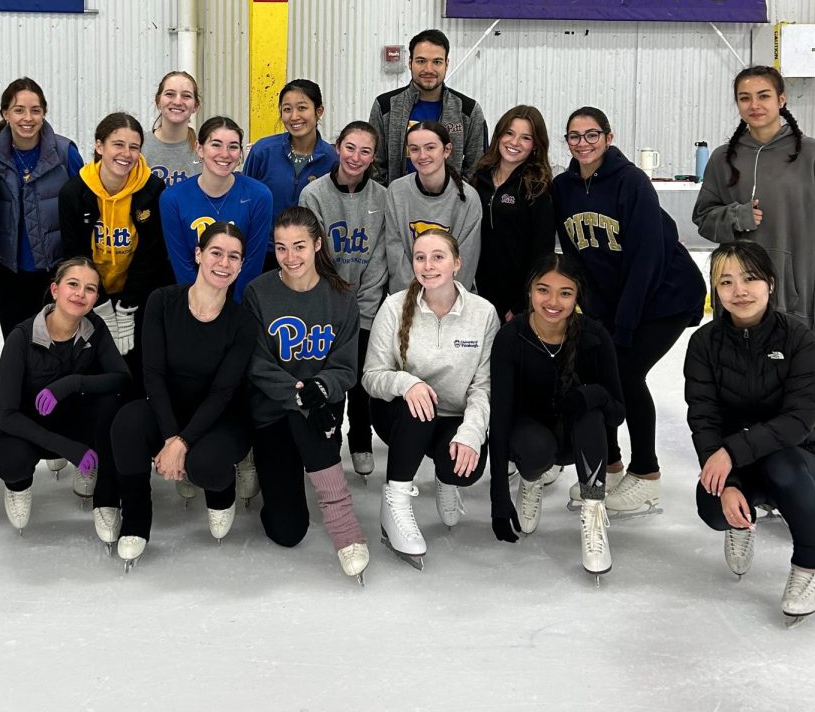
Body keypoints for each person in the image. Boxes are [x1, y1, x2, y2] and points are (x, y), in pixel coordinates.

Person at [552, 106, 705, 516]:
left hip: (666, 295)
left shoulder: (632, 182)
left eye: (591, 135)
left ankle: (647, 476)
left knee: (626, 373)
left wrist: (623, 323)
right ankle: (614, 466)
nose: (583, 143)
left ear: (609, 136)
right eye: (574, 136)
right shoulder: (564, 187)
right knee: (600, 369)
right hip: (615, 300)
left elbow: (647, 259)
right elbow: (575, 256)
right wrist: (595, 310)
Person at [684, 242, 815, 621]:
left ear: (770, 282)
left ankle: (811, 565)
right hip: (737, 465)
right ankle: (740, 520)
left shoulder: (798, 339)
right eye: (726, 282)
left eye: (749, 279)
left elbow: (798, 420)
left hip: (798, 461)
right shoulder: (703, 344)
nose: (740, 291)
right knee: (712, 507)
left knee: (782, 464)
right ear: (716, 290)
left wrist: (730, 452)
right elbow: (703, 418)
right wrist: (728, 479)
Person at [108, 223, 256, 570]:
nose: (224, 262)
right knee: (126, 425)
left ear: (241, 264)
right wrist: (171, 435)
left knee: (205, 464)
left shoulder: (243, 322)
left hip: (221, 418)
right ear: (198, 255)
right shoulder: (162, 301)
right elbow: (153, 375)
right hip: (169, 410)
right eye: (216, 252)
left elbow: (223, 392)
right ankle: (136, 518)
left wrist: (182, 443)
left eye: (233, 256)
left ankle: (221, 495)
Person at [244, 207, 370, 583]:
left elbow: (346, 366)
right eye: (281, 248)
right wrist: (301, 395)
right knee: (287, 532)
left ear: (317, 244)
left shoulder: (342, 297)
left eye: (299, 246)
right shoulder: (258, 292)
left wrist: (319, 390)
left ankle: (342, 520)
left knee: (308, 425)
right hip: (272, 413)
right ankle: (268, 464)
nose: (290, 257)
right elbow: (256, 363)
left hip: (320, 412)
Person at [362, 229, 496, 569]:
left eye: (438, 257)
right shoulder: (393, 308)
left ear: (457, 263)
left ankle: (444, 475)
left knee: (463, 471)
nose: (428, 265)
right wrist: (406, 383)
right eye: (420, 257)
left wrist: (471, 434)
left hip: (453, 418)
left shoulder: (483, 313)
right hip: (400, 413)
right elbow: (371, 377)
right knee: (420, 406)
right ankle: (396, 502)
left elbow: (484, 387)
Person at [488, 256, 625, 580]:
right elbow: (501, 418)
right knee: (535, 448)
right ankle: (531, 481)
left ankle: (593, 510)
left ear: (577, 296)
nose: (552, 301)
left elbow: (617, 413)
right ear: (530, 291)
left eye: (565, 293)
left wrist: (591, 395)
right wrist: (498, 494)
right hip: (529, 439)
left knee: (591, 415)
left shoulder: (595, 337)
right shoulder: (511, 338)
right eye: (543, 290)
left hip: (575, 440)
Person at [693, 65, 815, 356]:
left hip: (794, 308)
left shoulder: (814, 155)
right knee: (735, 391)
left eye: (763, 95)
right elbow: (703, 220)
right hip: (738, 304)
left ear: (781, 99)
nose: (754, 105)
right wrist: (736, 217)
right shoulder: (722, 158)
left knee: (788, 396)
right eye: (744, 98)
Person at [0, 257, 130, 547]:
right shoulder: (22, 337)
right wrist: (69, 448)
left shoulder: (94, 328)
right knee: (14, 459)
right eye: (72, 284)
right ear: (55, 290)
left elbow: (122, 379)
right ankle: (18, 486)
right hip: (22, 427)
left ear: (95, 298)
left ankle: (104, 495)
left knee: (112, 405)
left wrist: (71, 384)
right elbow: (8, 414)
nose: (80, 294)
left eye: (89, 289)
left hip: (69, 420)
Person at [299, 120, 388, 478]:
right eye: (350, 147)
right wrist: (335, 306)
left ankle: (361, 439)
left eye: (365, 151)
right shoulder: (314, 195)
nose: (356, 156)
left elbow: (380, 257)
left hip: (365, 305)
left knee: (362, 376)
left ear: (373, 157)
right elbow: (313, 258)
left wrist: (364, 309)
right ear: (337, 147)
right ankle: (329, 441)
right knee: (332, 376)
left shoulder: (382, 197)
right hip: (326, 305)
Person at [58, 112, 172, 381]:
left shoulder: (152, 189)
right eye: (117, 144)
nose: (126, 154)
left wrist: (126, 308)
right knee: (91, 362)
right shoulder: (74, 192)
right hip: (91, 294)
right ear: (100, 146)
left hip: (135, 293)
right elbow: (76, 255)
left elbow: (151, 254)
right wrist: (101, 305)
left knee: (134, 363)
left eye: (134, 147)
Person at [0, 77, 84, 339]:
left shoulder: (64, 153)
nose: (27, 118)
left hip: (55, 274)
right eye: (19, 110)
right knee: (18, 348)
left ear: (44, 113)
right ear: (5, 113)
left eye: (35, 110)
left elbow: (84, 208)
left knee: (55, 350)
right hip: (10, 275)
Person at [160, 116, 273, 302]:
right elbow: (182, 264)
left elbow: (253, 261)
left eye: (233, 146)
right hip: (193, 299)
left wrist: (234, 308)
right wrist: (201, 303)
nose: (225, 154)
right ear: (199, 148)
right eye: (216, 145)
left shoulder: (259, 196)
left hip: (240, 301)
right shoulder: (172, 199)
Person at [469, 105, 556, 323]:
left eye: (525, 138)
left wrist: (521, 304)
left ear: (535, 145)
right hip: (476, 294)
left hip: (514, 302)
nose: (514, 143)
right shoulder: (480, 178)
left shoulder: (537, 187)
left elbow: (542, 253)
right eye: (509, 133)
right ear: (499, 135)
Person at [368, 28, 487, 183]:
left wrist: (456, 197)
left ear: (446, 64)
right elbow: (375, 164)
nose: (428, 69)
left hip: (450, 204)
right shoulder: (385, 107)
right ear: (410, 63)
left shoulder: (468, 111)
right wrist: (389, 197)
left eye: (437, 62)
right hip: (398, 203)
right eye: (421, 61)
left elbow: (476, 167)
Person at [244, 79, 337, 265]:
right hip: (263, 253)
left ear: (319, 111)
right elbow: (244, 200)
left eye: (302, 108)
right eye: (287, 109)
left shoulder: (333, 159)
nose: (294, 116)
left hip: (309, 257)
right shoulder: (263, 151)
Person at [384, 122, 482, 293]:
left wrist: (441, 298)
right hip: (407, 296)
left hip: (452, 298)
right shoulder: (396, 191)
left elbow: (465, 261)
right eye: (414, 149)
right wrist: (413, 298)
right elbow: (396, 255)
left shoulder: (469, 198)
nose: (422, 155)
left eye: (430, 148)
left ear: (447, 150)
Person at [141, 70, 204, 187]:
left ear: (195, 106)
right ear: (158, 101)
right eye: (170, 94)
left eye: (186, 96)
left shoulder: (205, 150)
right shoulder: (139, 146)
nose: (177, 101)